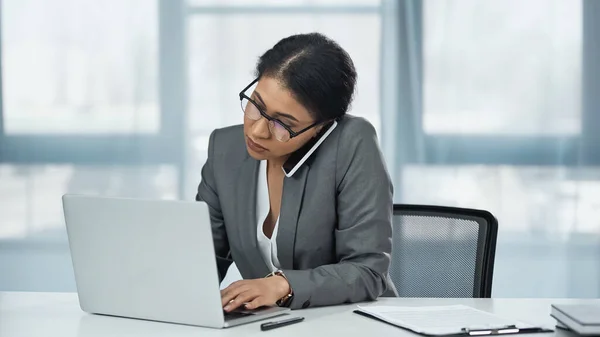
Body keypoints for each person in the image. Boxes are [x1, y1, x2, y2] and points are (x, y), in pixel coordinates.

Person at [196, 32, 396, 311]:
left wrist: (282, 285)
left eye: (283, 124)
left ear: (322, 128)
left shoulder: (352, 143)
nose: (257, 130)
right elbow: (201, 262)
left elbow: (367, 272)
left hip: (352, 321)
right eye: (256, 105)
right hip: (267, 326)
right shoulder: (224, 149)